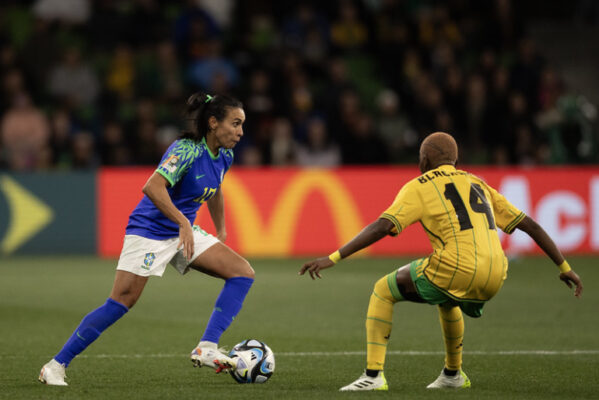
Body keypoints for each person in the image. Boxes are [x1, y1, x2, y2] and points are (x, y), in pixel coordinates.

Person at [299, 131, 583, 391]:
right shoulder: (478, 182)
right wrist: (564, 268)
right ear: (455, 159)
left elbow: (383, 226)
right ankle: (452, 374)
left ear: (424, 159)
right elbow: (530, 225)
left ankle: (372, 377)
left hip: (456, 266)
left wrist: (333, 257)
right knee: (447, 299)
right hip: (496, 272)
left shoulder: (418, 187)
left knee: (383, 290)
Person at [39, 92, 254, 386]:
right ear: (214, 123)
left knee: (242, 273)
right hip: (150, 230)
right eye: (236, 124)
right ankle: (55, 365)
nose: (241, 132)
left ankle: (207, 347)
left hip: (183, 231)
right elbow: (152, 187)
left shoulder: (225, 155)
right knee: (121, 301)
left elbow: (215, 189)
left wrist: (221, 230)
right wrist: (183, 222)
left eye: (242, 125)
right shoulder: (186, 149)